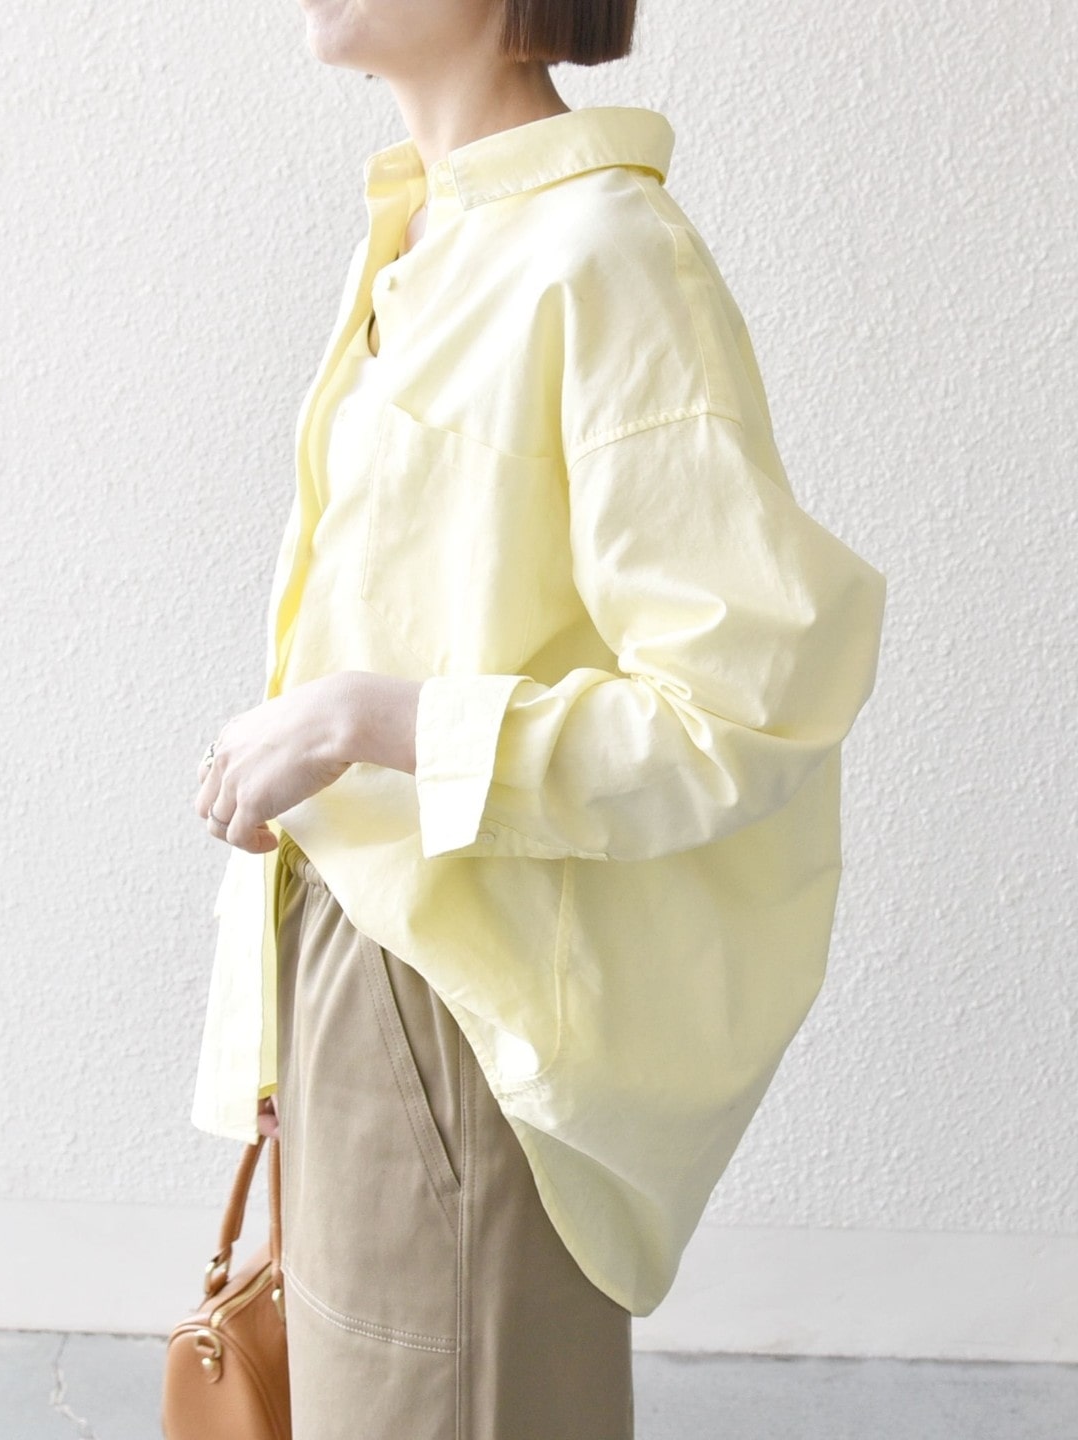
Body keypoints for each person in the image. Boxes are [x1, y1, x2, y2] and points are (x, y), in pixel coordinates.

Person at [191, 0, 888, 1436]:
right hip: (359, 964)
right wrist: (274, 1028)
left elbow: (736, 708)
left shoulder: (605, 258)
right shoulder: (430, 230)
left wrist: (362, 719)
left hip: (455, 1007)